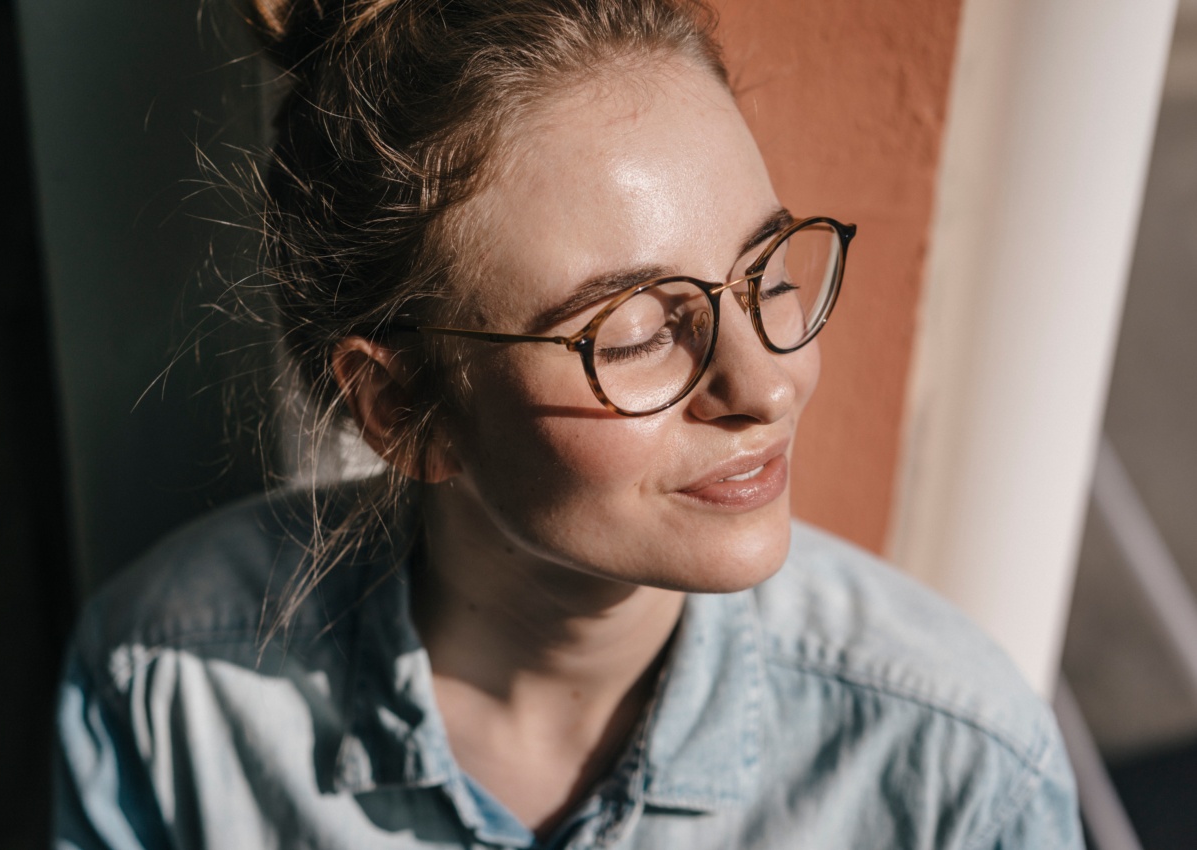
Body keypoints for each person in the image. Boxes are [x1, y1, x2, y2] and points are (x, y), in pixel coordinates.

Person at [53, 1, 1083, 847]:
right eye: (634, 333)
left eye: (764, 273)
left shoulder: (956, 772)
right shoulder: (173, 697)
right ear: (404, 407)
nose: (768, 384)